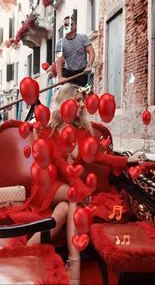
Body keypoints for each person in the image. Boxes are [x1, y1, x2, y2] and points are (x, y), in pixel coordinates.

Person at [0, 84, 141, 285]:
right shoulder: (48, 129)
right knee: (74, 196)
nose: (82, 104)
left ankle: (25, 254)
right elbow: (59, 163)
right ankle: (74, 265)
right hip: (46, 186)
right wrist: (82, 190)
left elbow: (99, 156)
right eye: (77, 100)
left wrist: (126, 161)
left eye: (83, 100)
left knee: (66, 209)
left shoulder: (83, 132)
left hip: (65, 190)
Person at [56, 16, 95, 87]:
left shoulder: (83, 38)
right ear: (64, 27)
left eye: (71, 24)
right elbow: (59, 61)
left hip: (82, 72)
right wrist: (60, 77)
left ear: (75, 26)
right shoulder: (60, 43)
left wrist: (89, 66)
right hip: (68, 73)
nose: (69, 26)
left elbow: (91, 52)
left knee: (81, 95)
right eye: (66, 24)